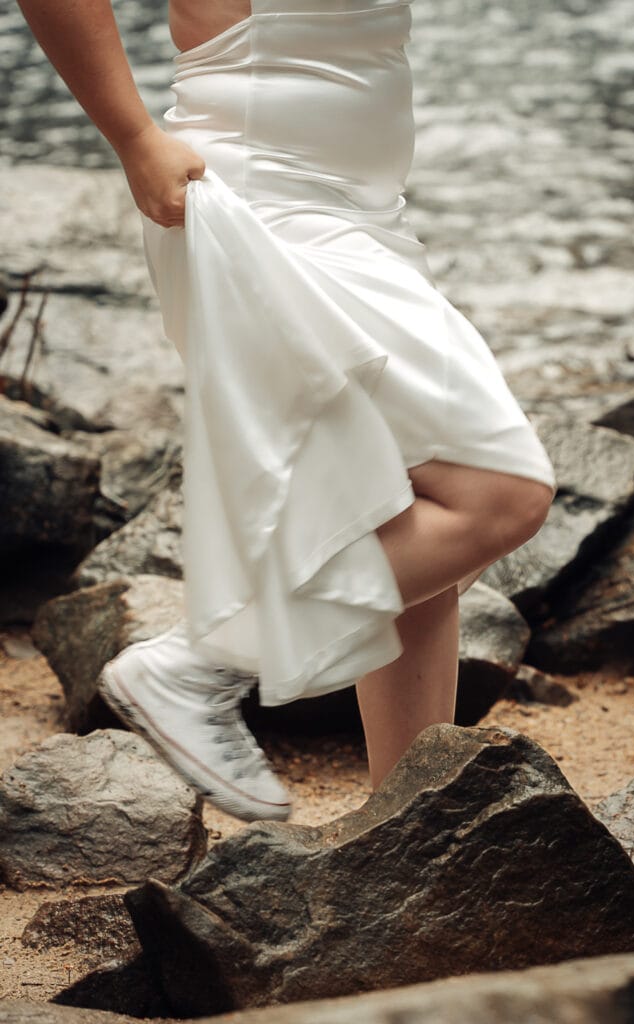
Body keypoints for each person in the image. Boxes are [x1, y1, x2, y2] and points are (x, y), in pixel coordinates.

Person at [17, 0, 557, 824]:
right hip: (259, 204)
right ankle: (199, 665)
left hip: (358, 216)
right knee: (497, 494)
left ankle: (402, 828)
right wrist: (132, 138)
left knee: (411, 514)